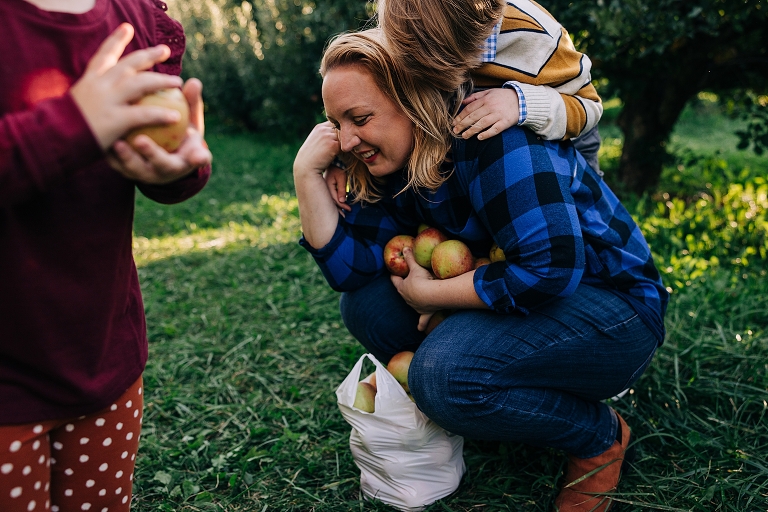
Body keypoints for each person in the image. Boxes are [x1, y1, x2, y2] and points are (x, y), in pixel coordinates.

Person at [294, 29, 668, 511]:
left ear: (413, 101)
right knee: (366, 305)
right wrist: (307, 175)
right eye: (335, 124)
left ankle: (598, 437)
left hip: (614, 312)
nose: (346, 140)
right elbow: (351, 271)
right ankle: (484, 402)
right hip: (533, 295)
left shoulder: (492, 139)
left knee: (443, 376)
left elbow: (549, 271)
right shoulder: (397, 163)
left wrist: (433, 298)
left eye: (359, 119)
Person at [0, 1, 212, 510]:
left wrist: (178, 167)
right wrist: (73, 123)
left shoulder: (135, 16)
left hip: (104, 362)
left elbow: (163, 142)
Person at [325, 0, 603, 211]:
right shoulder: (410, 33)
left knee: (573, 214)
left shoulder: (538, 38)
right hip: (485, 136)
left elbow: (588, 104)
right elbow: (361, 99)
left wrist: (521, 102)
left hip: (567, 132)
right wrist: (341, 158)